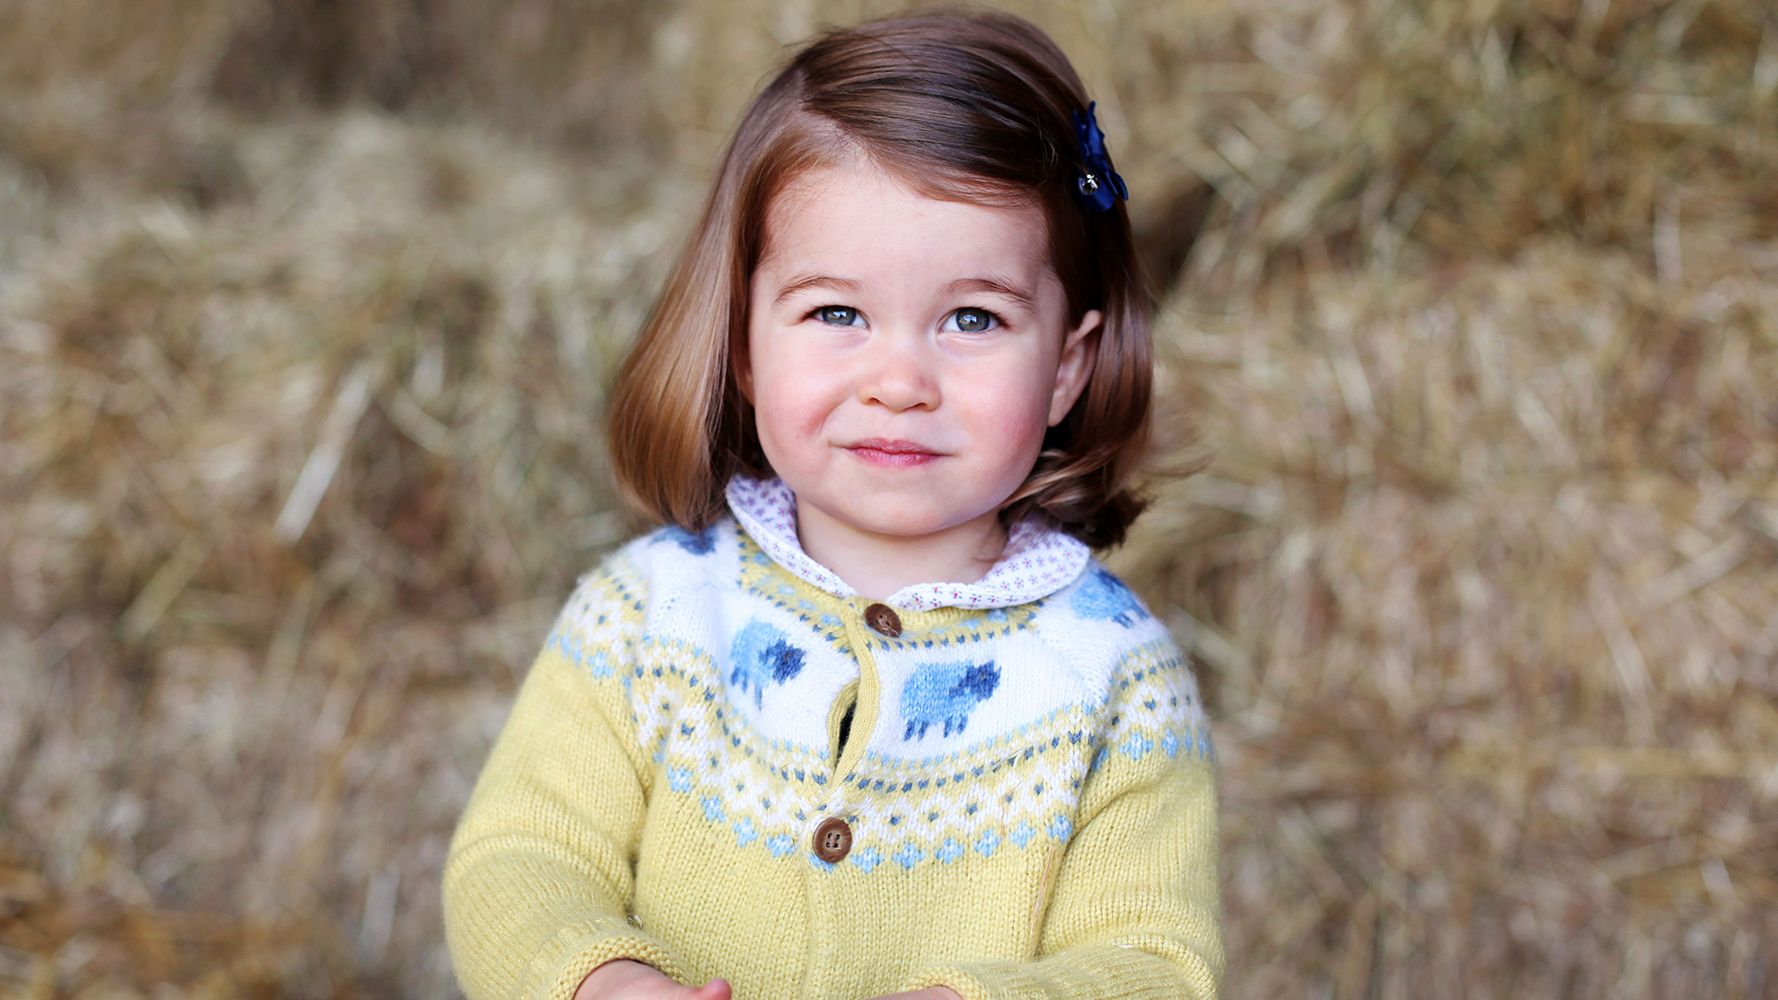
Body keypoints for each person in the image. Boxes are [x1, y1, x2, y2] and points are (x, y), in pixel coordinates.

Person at [442, 8, 1223, 999]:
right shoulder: (647, 617)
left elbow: (1152, 962)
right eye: (836, 312)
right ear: (742, 344)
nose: (898, 380)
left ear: (1066, 367)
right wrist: (604, 980)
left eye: (972, 317)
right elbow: (520, 855)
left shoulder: (1113, 681)